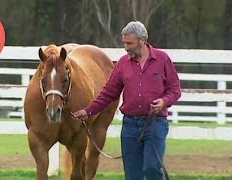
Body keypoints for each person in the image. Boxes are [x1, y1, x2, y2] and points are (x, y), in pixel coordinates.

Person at [72, 21, 181, 180]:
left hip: (155, 123)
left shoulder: (163, 60)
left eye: (129, 43)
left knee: (152, 167)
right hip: (130, 126)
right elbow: (108, 93)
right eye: (124, 43)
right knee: (132, 175)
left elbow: (175, 90)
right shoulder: (123, 63)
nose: (126, 47)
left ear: (142, 40)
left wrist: (164, 102)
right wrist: (88, 111)